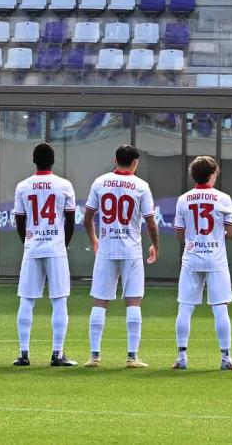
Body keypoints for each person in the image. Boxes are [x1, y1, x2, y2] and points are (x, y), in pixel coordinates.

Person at [83, 144, 158, 368]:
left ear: (115, 159)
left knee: (100, 300)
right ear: (135, 163)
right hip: (131, 250)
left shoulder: (100, 182)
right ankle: (132, 356)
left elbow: (87, 218)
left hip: (106, 249)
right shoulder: (141, 186)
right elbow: (151, 222)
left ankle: (94, 356)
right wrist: (155, 245)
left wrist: (94, 240)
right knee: (133, 300)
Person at [172, 156, 232, 371]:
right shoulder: (223, 198)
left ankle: (182, 357)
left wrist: (195, 238)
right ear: (212, 175)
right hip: (216, 258)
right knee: (220, 308)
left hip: (192, 257)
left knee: (185, 307)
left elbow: (179, 234)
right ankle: (225, 358)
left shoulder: (184, 199)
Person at [11, 142, 77, 367]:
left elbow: (19, 220)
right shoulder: (64, 185)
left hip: (32, 247)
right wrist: (63, 244)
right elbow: (69, 220)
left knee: (27, 300)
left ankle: (23, 354)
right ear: (53, 160)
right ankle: (57, 354)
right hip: (56, 248)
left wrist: (27, 242)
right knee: (59, 301)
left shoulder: (23, 186)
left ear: (34, 160)